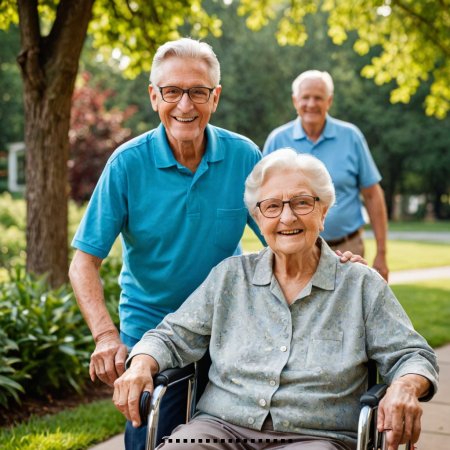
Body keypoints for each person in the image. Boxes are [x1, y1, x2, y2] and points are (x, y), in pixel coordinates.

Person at [69, 41, 363, 450]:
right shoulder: (126, 164)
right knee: (149, 436)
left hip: (231, 326)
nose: (184, 104)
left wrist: (333, 261)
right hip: (154, 325)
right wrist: (105, 336)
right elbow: (83, 262)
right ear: (154, 96)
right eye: (172, 91)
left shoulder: (244, 156)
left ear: (215, 97)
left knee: (221, 430)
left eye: (198, 91)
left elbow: (283, 230)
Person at [113, 149, 438, 450]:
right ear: (257, 218)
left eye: (301, 203)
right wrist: (140, 365)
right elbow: (170, 337)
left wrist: (405, 388)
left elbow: (412, 355)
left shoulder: (360, 285)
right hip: (219, 428)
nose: (287, 217)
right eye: (272, 206)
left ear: (323, 212)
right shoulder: (229, 278)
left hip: (314, 437)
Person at [263, 71, 389, 281]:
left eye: (318, 98)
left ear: (329, 101)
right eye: (305, 97)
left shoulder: (351, 137)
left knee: (352, 312)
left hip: (349, 250)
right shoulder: (277, 140)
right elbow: (264, 200)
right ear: (295, 101)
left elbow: (373, 195)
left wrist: (382, 254)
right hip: (295, 250)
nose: (311, 104)